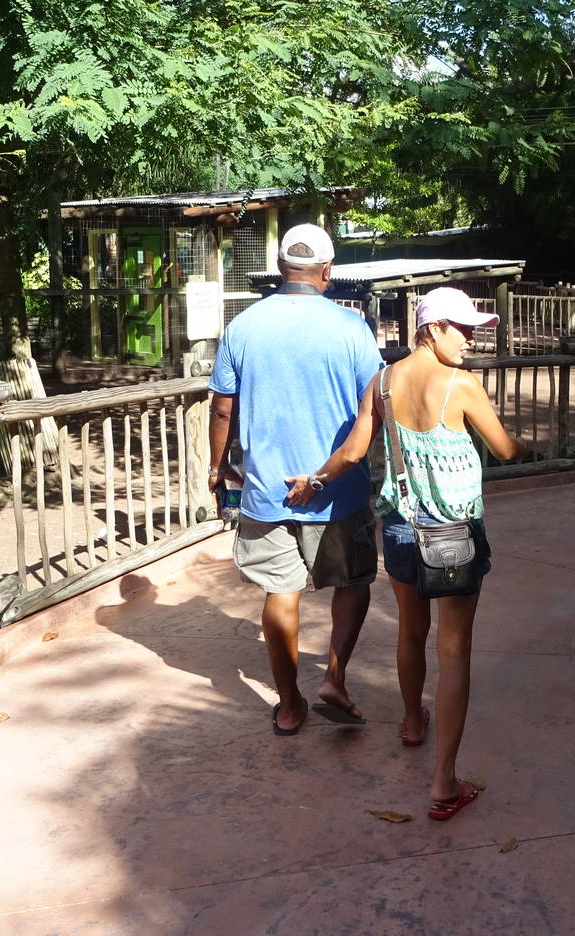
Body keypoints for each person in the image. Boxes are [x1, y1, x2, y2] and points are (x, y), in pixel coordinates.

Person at [286, 286, 522, 820]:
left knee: (410, 631)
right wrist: (523, 448)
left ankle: (414, 721)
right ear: (431, 328)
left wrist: (314, 480)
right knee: (454, 650)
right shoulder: (462, 386)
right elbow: (506, 449)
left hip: (400, 529)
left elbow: (352, 452)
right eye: (461, 329)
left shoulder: (383, 382)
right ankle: (444, 782)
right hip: (454, 535)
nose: (470, 340)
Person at [207, 222, 384, 736]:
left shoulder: (243, 325)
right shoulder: (351, 328)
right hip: (339, 489)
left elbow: (223, 409)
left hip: (266, 490)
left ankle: (288, 705)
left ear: (282, 267)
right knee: (352, 581)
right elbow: (373, 405)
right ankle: (334, 675)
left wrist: (218, 468)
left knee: (280, 594)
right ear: (327, 270)